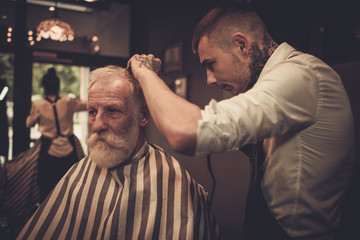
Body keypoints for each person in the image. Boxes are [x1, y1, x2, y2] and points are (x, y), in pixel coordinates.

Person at [127, 6, 355, 240]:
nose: (210, 79)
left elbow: (184, 132)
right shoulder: (274, 82)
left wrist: (145, 74)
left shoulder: (299, 75)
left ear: (241, 45)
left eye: (210, 64)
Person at [17, 66, 221, 239]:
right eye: (92, 112)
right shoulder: (77, 172)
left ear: (143, 116)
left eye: (113, 111)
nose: (96, 125)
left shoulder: (177, 183)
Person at [25, 67, 87, 201]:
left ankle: (47, 214)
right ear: (58, 86)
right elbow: (86, 106)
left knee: (45, 186)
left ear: (44, 87)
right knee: (71, 184)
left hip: (48, 149)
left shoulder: (39, 105)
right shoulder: (68, 101)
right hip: (69, 148)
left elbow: (29, 124)